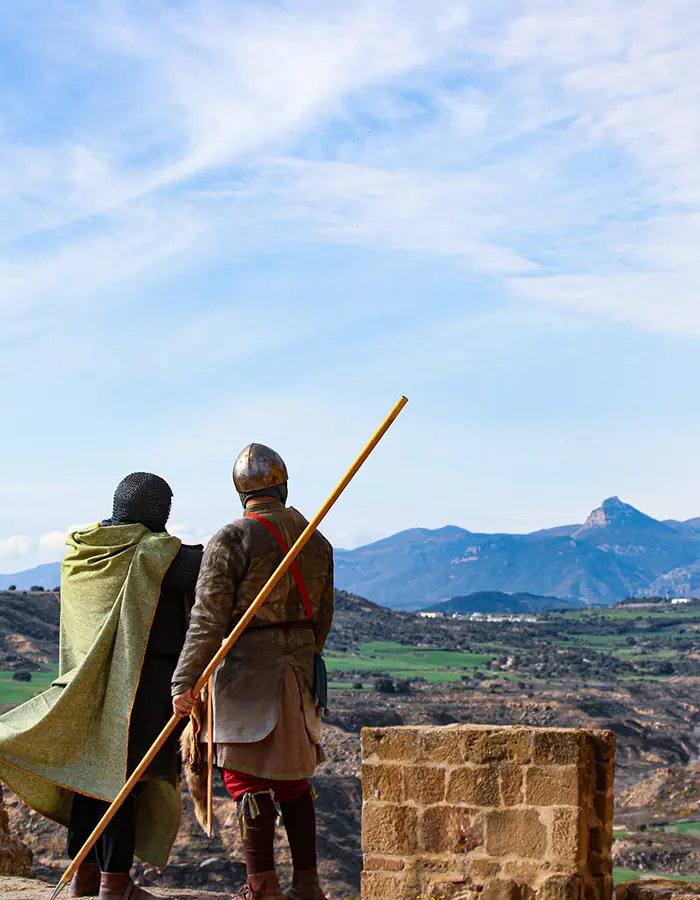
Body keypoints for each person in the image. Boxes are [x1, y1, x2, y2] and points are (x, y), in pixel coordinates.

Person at [0, 473, 203, 900]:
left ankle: (84, 879)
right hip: (140, 689)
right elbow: (202, 568)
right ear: (156, 509)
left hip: (84, 690)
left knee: (88, 780)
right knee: (120, 781)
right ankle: (115, 885)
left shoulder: (80, 552)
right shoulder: (153, 553)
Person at [172, 444, 334, 900]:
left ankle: (262, 888)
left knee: (245, 777)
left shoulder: (232, 539)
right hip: (299, 676)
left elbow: (206, 621)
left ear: (241, 494)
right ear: (283, 488)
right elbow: (323, 618)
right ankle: (308, 885)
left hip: (245, 677)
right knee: (293, 780)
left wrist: (184, 681)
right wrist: (299, 655)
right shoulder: (315, 541)